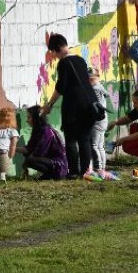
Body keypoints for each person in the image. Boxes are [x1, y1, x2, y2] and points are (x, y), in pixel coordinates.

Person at [41, 33, 96, 179]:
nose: (54, 55)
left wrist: (49, 104)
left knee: (71, 138)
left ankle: (73, 172)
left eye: (53, 51)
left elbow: (61, 87)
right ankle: (84, 171)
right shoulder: (80, 60)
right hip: (90, 104)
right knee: (84, 138)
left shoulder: (64, 63)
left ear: (58, 48)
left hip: (74, 106)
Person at [18, 105, 68, 180]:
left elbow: (40, 152)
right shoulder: (38, 130)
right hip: (50, 162)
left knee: (30, 160)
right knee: (29, 159)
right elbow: (29, 148)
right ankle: (48, 175)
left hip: (59, 166)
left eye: (29, 117)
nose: (27, 120)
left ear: (36, 118)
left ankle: (52, 175)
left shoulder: (46, 131)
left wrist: (27, 160)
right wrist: (11, 148)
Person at [87, 66, 111, 178]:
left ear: (96, 78)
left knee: (94, 145)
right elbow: (107, 94)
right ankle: (103, 167)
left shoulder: (95, 88)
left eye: (91, 79)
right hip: (103, 119)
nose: (89, 81)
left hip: (97, 119)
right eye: (89, 79)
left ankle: (98, 168)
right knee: (100, 145)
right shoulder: (100, 86)